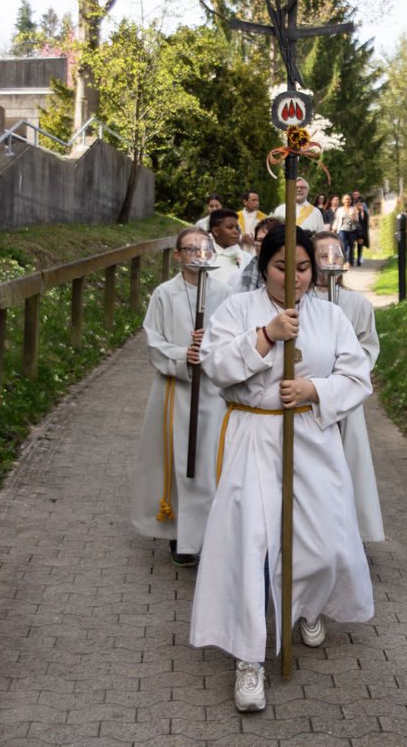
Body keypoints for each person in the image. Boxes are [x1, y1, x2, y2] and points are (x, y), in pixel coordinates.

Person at [190, 225, 374, 713]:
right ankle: (248, 659)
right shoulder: (238, 309)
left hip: (311, 435)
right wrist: (267, 336)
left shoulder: (330, 316)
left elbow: (357, 376)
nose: (293, 279)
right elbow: (216, 366)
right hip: (253, 433)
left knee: (327, 541)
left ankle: (308, 605)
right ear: (263, 266)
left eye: (303, 268)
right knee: (249, 545)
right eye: (281, 267)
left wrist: (315, 390)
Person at [130, 226, 231, 566]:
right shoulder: (164, 294)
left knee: (210, 460)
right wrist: (182, 354)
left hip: (213, 392)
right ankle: (181, 536)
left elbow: (235, 339)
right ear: (177, 255)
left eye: (205, 249)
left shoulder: (225, 293)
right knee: (179, 462)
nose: (199, 255)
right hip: (176, 390)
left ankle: (212, 535)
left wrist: (211, 345)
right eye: (191, 249)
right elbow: (153, 339)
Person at [311, 231, 384, 543]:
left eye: (335, 255)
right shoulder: (301, 302)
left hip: (345, 399)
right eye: (323, 255)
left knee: (348, 460)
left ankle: (350, 534)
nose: (330, 261)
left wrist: (346, 373)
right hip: (312, 396)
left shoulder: (357, 303)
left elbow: (368, 348)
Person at [231, 216, 283, 293]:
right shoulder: (237, 277)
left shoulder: (292, 279)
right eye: (260, 240)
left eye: (270, 240)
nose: (265, 246)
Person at [209, 208, 252, 286]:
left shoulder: (247, 258)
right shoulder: (204, 256)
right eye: (230, 227)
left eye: (237, 228)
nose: (236, 232)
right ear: (216, 231)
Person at [331, 193, 361, 268]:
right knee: (343, 246)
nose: (347, 200)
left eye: (349, 199)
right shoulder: (339, 210)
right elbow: (337, 220)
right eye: (346, 199)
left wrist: (354, 217)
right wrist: (333, 230)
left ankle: (350, 261)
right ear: (343, 200)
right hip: (342, 230)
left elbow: (357, 221)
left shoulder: (353, 209)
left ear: (351, 201)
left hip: (352, 230)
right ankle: (344, 262)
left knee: (351, 246)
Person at [352, 190, 370, 265]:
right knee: (352, 245)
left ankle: (359, 259)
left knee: (360, 245)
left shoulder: (364, 211)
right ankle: (352, 258)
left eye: (360, 204)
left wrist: (362, 211)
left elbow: (364, 219)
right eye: (358, 204)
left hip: (361, 231)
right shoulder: (353, 210)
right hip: (353, 230)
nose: (359, 205)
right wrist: (355, 211)